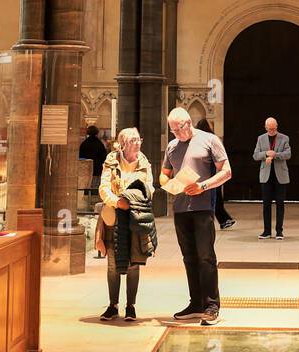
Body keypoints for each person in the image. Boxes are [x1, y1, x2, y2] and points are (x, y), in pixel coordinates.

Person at [160, 107, 231, 325]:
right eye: (172, 130)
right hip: (180, 209)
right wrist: (168, 185)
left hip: (203, 208)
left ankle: (211, 305)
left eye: (178, 129)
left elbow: (226, 172)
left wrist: (203, 185)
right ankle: (196, 303)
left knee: (205, 256)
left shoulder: (209, 140)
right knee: (189, 257)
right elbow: (164, 175)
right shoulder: (172, 147)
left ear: (188, 123)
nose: (176, 134)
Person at [96, 127, 156, 321]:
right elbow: (104, 189)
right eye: (132, 141)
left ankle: (131, 306)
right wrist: (117, 201)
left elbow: (150, 188)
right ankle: (113, 305)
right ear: (122, 144)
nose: (137, 144)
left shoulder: (144, 162)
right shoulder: (111, 162)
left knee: (133, 264)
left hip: (135, 218)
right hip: (115, 216)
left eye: (139, 140)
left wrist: (134, 200)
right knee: (113, 264)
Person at [253, 117, 291, 239]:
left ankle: (279, 231)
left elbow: (288, 154)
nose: (272, 131)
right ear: (266, 128)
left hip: (280, 176)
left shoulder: (284, 138)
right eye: (269, 129)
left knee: (280, 204)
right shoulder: (261, 138)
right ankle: (267, 231)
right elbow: (255, 155)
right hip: (266, 176)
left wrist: (276, 155)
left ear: (277, 126)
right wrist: (265, 154)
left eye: (274, 129)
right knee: (266, 204)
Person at [197, 117, 235, 229]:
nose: (212, 126)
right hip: (208, 174)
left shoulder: (213, 140)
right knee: (214, 198)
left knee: (217, 198)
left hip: (215, 174)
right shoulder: (207, 140)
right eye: (210, 124)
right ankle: (222, 220)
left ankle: (223, 220)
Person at [78, 124, 107, 190]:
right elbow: (103, 156)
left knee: (87, 186)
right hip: (97, 167)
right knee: (96, 186)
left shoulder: (84, 143)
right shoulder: (99, 143)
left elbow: (80, 155)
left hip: (86, 168)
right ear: (97, 132)